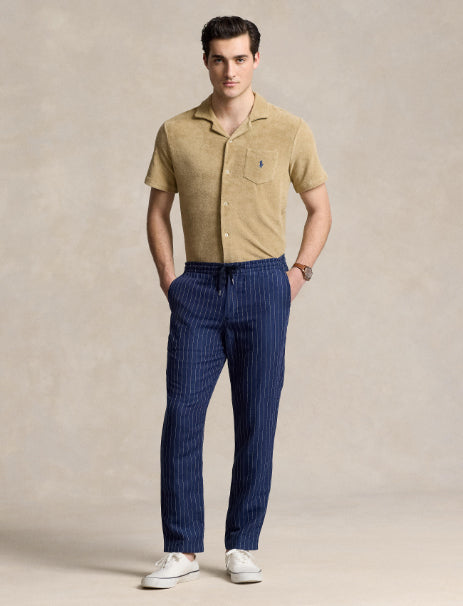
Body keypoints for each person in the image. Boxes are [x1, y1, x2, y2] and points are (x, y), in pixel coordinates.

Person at [141, 15, 332, 589]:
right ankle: (181, 549)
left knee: (257, 419)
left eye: (241, 58)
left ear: (256, 60)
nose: (230, 70)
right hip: (197, 289)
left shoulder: (289, 130)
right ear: (206, 60)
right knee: (182, 417)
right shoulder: (176, 132)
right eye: (220, 58)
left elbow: (320, 209)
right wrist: (170, 280)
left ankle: (243, 543)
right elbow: (157, 213)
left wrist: (297, 275)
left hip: (264, 287)